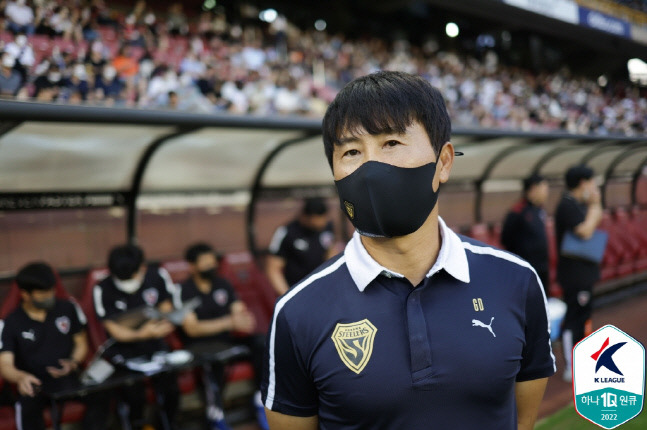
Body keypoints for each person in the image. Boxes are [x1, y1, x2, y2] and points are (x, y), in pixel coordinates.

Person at [261, 71, 555, 430]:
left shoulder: (516, 281)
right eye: (352, 151)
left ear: (443, 162)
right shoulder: (297, 313)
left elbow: (523, 421)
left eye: (391, 143)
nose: (370, 169)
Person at [0, 262, 108, 430]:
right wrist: (20, 377)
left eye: (51, 290)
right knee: (28, 406)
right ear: (25, 294)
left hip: (67, 377)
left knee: (102, 395)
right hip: (33, 382)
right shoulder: (11, 322)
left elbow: (80, 342)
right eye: (43, 294)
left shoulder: (68, 308)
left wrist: (73, 362)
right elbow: (5, 364)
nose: (49, 296)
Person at [179, 243, 268, 430]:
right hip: (200, 345)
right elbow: (192, 329)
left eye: (213, 261)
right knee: (214, 361)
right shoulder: (184, 290)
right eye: (205, 262)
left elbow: (240, 314)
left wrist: (243, 318)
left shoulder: (223, 284)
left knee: (262, 342)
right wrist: (229, 322)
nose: (211, 266)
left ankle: (261, 398)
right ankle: (215, 414)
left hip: (226, 340)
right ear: (192, 266)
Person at [92, 244, 180, 429]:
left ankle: (167, 424)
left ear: (142, 267)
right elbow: (113, 329)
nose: (128, 281)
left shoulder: (158, 277)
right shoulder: (102, 288)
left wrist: (161, 325)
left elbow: (166, 308)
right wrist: (141, 333)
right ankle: (137, 424)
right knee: (134, 392)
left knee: (171, 388)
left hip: (155, 344)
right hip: (123, 350)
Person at [554, 165, 602, 382]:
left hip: (585, 272)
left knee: (583, 318)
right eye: (591, 182)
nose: (594, 187)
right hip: (574, 275)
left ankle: (584, 360)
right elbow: (585, 230)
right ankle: (571, 367)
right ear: (583, 183)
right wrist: (595, 205)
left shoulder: (577, 205)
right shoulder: (567, 205)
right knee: (574, 318)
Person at [265, 197, 335, 295]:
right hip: (297, 289)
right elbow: (273, 269)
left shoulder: (327, 227)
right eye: (316, 225)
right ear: (306, 217)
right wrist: (288, 296)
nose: (321, 225)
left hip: (321, 288)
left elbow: (330, 251)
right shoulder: (287, 232)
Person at [501, 173, 550, 296]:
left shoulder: (540, 210)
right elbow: (505, 239)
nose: (546, 193)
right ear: (534, 188)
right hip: (525, 269)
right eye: (544, 189)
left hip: (542, 267)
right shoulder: (518, 212)